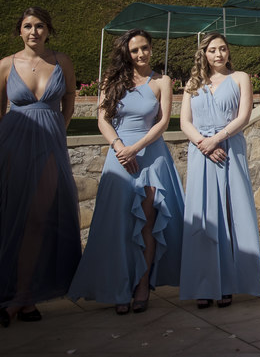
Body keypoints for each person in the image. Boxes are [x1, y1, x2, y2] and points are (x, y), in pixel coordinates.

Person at [0, 7, 82, 327]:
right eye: (27, 26)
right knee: (11, 220)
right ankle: (13, 296)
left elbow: (69, 99)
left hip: (50, 146)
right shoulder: (5, 66)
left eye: (40, 26)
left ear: (49, 30)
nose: (33, 32)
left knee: (39, 218)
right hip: (13, 148)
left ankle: (25, 294)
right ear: (19, 31)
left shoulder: (62, 62)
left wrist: (56, 129)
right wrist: (16, 141)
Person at [68, 29, 185, 313]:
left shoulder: (162, 81)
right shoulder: (113, 80)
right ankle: (120, 286)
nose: (140, 54)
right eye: (134, 50)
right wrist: (120, 146)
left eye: (144, 48)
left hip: (150, 156)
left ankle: (142, 286)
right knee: (119, 225)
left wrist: (137, 148)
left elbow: (164, 122)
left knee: (146, 223)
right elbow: (102, 118)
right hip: (119, 157)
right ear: (127, 53)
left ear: (151, 48)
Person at [178, 32, 260, 307]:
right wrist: (204, 143)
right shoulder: (193, 83)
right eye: (213, 50)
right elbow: (184, 122)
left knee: (230, 213)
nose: (218, 54)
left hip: (230, 150)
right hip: (201, 152)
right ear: (204, 53)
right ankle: (204, 284)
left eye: (223, 49)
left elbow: (244, 116)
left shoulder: (241, 78)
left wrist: (218, 138)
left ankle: (227, 282)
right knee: (203, 217)